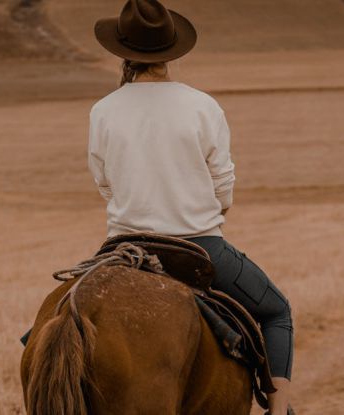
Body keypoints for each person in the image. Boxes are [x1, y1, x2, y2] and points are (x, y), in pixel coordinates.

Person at [88, 1, 294, 413]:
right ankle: (281, 407)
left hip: (124, 247)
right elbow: (223, 187)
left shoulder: (103, 110)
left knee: (72, 305)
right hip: (200, 247)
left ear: (123, 52)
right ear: (173, 50)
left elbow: (105, 183)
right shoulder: (202, 105)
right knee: (276, 311)